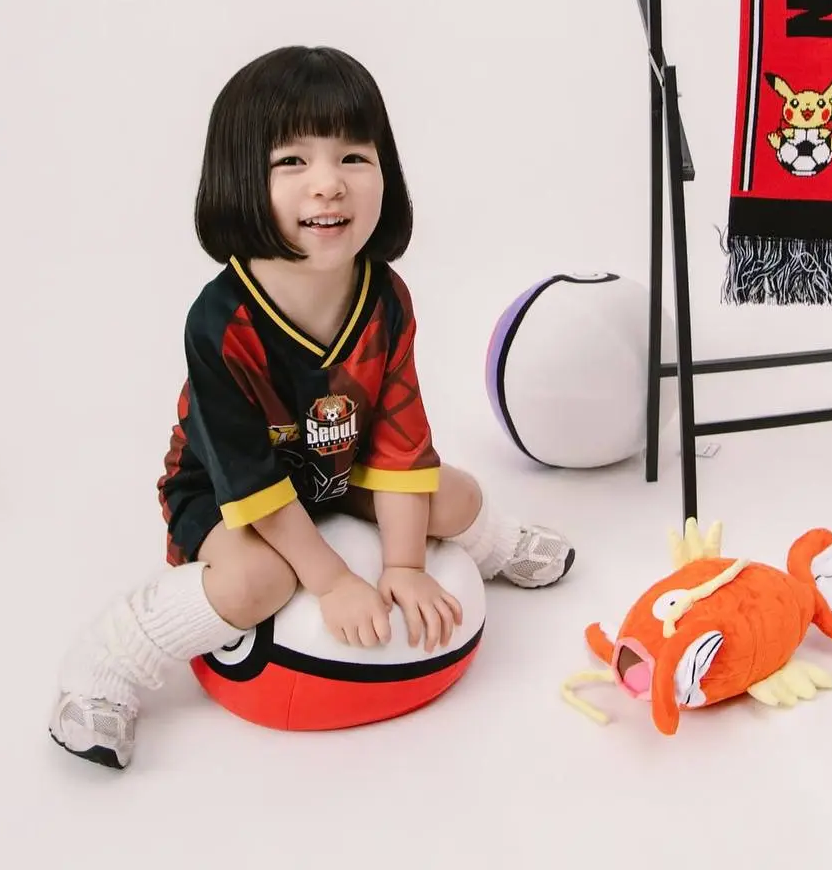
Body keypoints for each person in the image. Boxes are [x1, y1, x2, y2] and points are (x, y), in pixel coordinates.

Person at [48, 46, 574, 769]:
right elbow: (250, 480)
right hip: (228, 490)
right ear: (240, 179)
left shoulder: (385, 296)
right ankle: (106, 665)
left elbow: (400, 445)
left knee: (455, 495)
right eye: (291, 161)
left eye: (354, 157)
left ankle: (495, 547)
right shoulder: (221, 321)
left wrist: (404, 567)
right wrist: (334, 580)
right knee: (259, 581)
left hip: (336, 468)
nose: (328, 184)